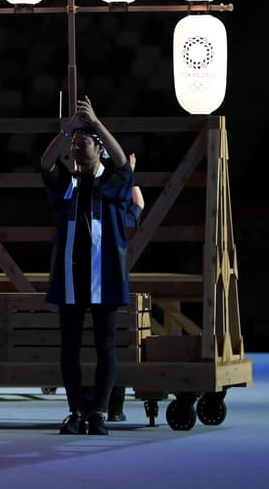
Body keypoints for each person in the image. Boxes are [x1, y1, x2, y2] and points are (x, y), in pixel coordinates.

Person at [39, 97, 139, 436]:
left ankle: (98, 412)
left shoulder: (113, 183)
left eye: (86, 140)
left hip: (105, 276)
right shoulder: (68, 184)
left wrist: (95, 123)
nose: (79, 144)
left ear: (99, 148)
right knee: (69, 347)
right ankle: (75, 411)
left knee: (105, 345)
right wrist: (67, 129)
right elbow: (45, 163)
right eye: (75, 141)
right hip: (70, 277)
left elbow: (124, 164)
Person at [107, 152, 146, 423]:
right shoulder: (121, 217)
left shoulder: (92, 208)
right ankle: (115, 408)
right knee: (113, 345)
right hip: (113, 287)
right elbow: (139, 202)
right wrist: (130, 172)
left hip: (90, 287)